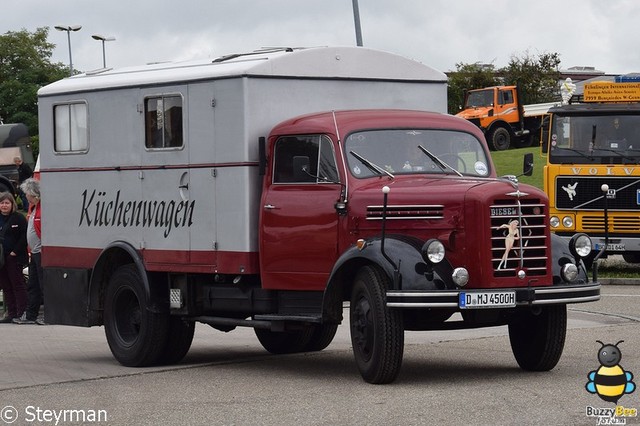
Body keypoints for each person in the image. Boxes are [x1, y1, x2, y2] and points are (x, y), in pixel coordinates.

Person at [14, 179, 44, 325]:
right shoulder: (33, 208)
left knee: (43, 284)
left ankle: (47, 314)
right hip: (35, 252)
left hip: (41, 252)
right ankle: (31, 314)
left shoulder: (41, 209)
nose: (25, 196)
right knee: (33, 284)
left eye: (27, 194)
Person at [0, 192, 28, 323]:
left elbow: (24, 237)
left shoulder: (19, 218)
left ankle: (21, 312)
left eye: (7, 203)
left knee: (17, 284)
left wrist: (14, 252)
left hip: (14, 258)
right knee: (6, 285)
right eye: (2, 203)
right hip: (1, 259)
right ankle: (10, 313)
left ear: (12, 204)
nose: (4, 205)